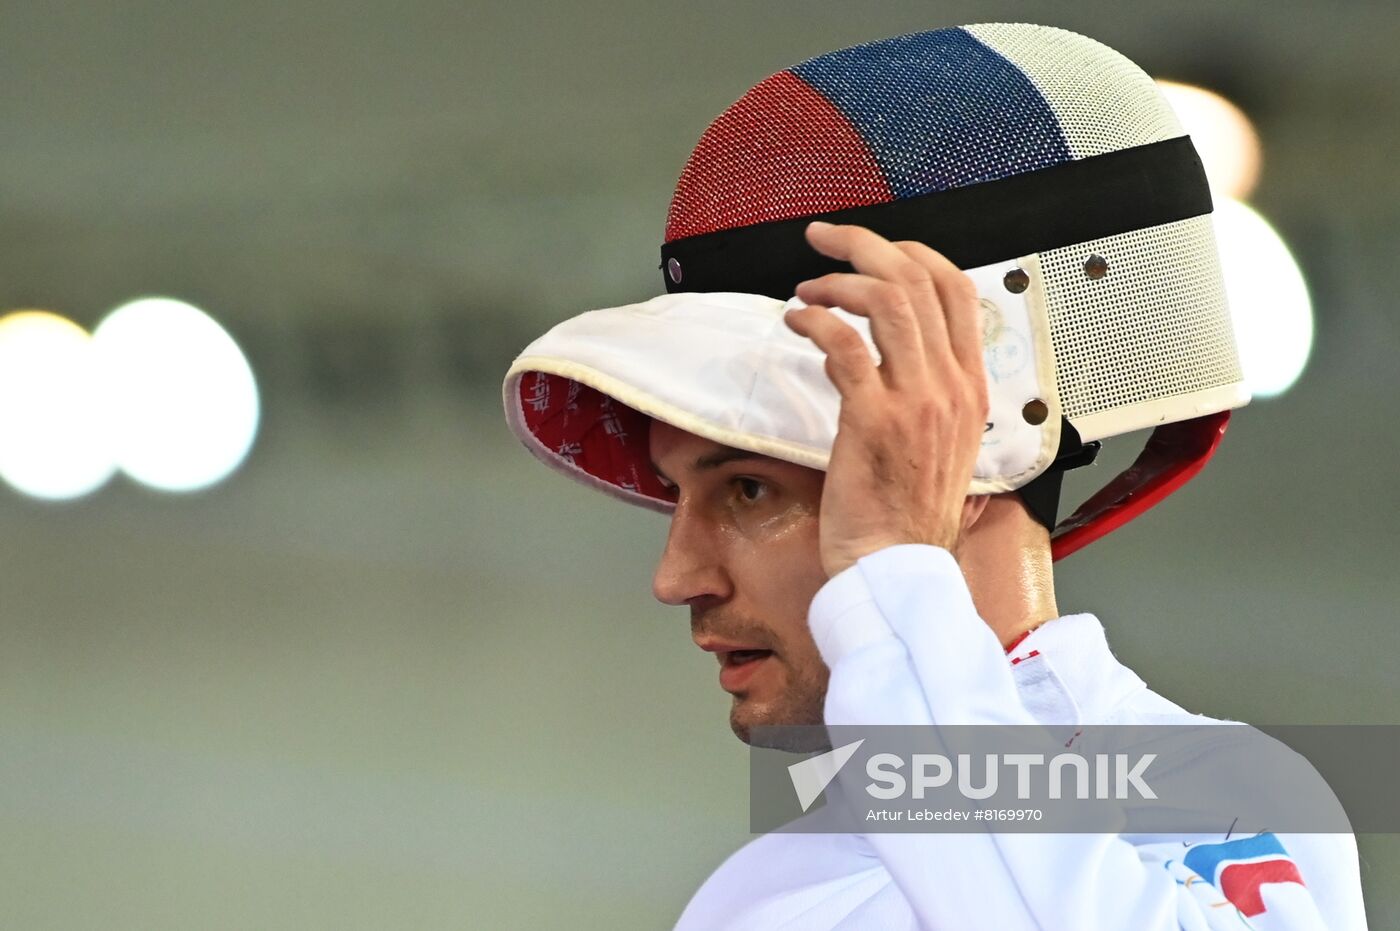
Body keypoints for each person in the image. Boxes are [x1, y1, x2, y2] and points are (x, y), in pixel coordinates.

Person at [502, 24, 1368, 929]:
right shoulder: (757, 893)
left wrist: (892, 572)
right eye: (681, 495)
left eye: (749, 489)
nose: (676, 575)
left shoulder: (1226, 797)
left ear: (968, 445)